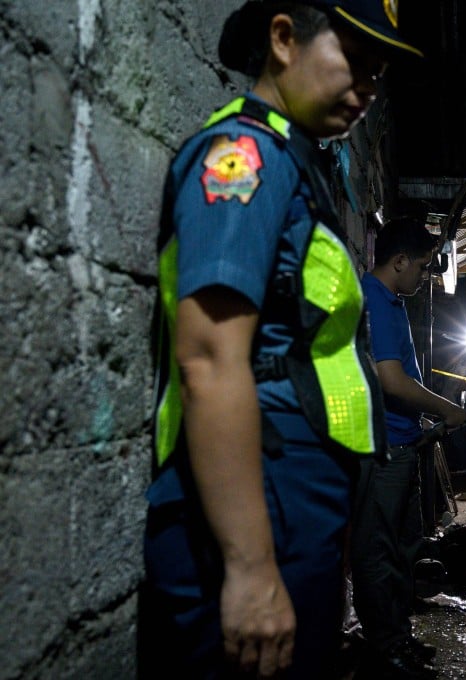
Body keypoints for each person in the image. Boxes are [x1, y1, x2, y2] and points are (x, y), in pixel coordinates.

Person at [140, 2, 421, 677]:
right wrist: (250, 568)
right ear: (283, 39)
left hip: (289, 496)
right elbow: (209, 358)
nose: (367, 90)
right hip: (256, 496)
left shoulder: (299, 166)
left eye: (378, 76)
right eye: (356, 63)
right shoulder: (245, 157)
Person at [352, 218, 466, 679]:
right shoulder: (374, 301)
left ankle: (398, 639)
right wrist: (446, 410)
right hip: (380, 449)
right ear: (398, 261)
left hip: (401, 441)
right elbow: (391, 379)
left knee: (401, 549)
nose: (424, 276)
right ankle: (385, 651)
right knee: (377, 553)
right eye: (420, 267)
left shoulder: (392, 300)